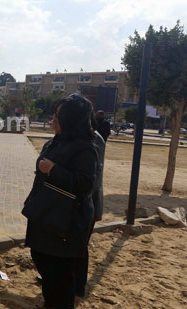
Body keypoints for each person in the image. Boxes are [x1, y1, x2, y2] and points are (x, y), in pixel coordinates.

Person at [24, 93, 98, 309]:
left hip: (64, 223)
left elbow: (86, 185)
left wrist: (54, 170)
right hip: (45, 215)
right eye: (55, 114)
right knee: (44, 263)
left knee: (60, 276)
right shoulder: (55, 141)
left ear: (72, 120)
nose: (53, 119)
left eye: (59, 116)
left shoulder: (85, 148)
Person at [74, 109, 105, 298]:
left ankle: (78, 286)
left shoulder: (94, 139)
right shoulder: (78, 137)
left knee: (79, 246)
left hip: (87, 203)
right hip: (78, 202)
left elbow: (92, 178)